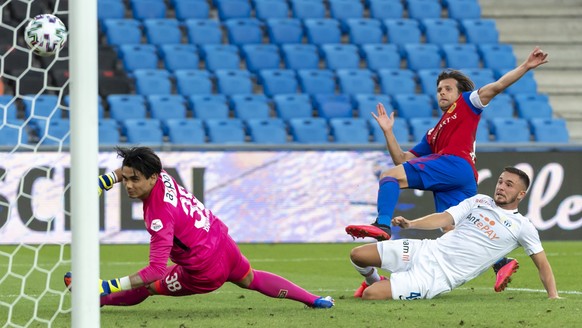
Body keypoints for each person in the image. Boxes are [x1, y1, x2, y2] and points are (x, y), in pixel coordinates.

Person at [345, 46, 549, 291]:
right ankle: (501, 263)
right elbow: (401, 158)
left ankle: (382, 225)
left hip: (454, 163)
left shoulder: (468, 103)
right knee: (454, 229)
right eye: (439, 89)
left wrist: (526, 66)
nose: (441, 92)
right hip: (463, 177)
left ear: (459, 91)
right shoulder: (434, 133)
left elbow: (496, 86)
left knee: (389, 176)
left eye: (447, 88)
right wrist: (388, 132)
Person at [64, 146, 334, 309]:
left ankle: (95, 298)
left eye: (134, 180)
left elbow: (155, 270)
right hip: (222, 243)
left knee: (149, 286)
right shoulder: (163, 175)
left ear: (152, 177)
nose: (129, 185)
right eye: (125, 179)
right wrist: (105, 180)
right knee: (251, 278)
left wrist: (107, 285)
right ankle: (314, 299)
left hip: (204, 270)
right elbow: (128, 170)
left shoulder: (158, 216)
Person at [349, 167, 559, 300]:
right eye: (501, 181)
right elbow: (444, 218)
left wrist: (553, 296)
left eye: (509, 185)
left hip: (436, 276)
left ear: (521, 195)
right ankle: (374, 279)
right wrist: (411, 223)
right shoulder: (479, 201)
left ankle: (381, 285)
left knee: (371, 295)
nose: (501, 187)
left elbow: (542, 263)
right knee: (357, 255)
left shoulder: (523, 226)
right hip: (425, 250)